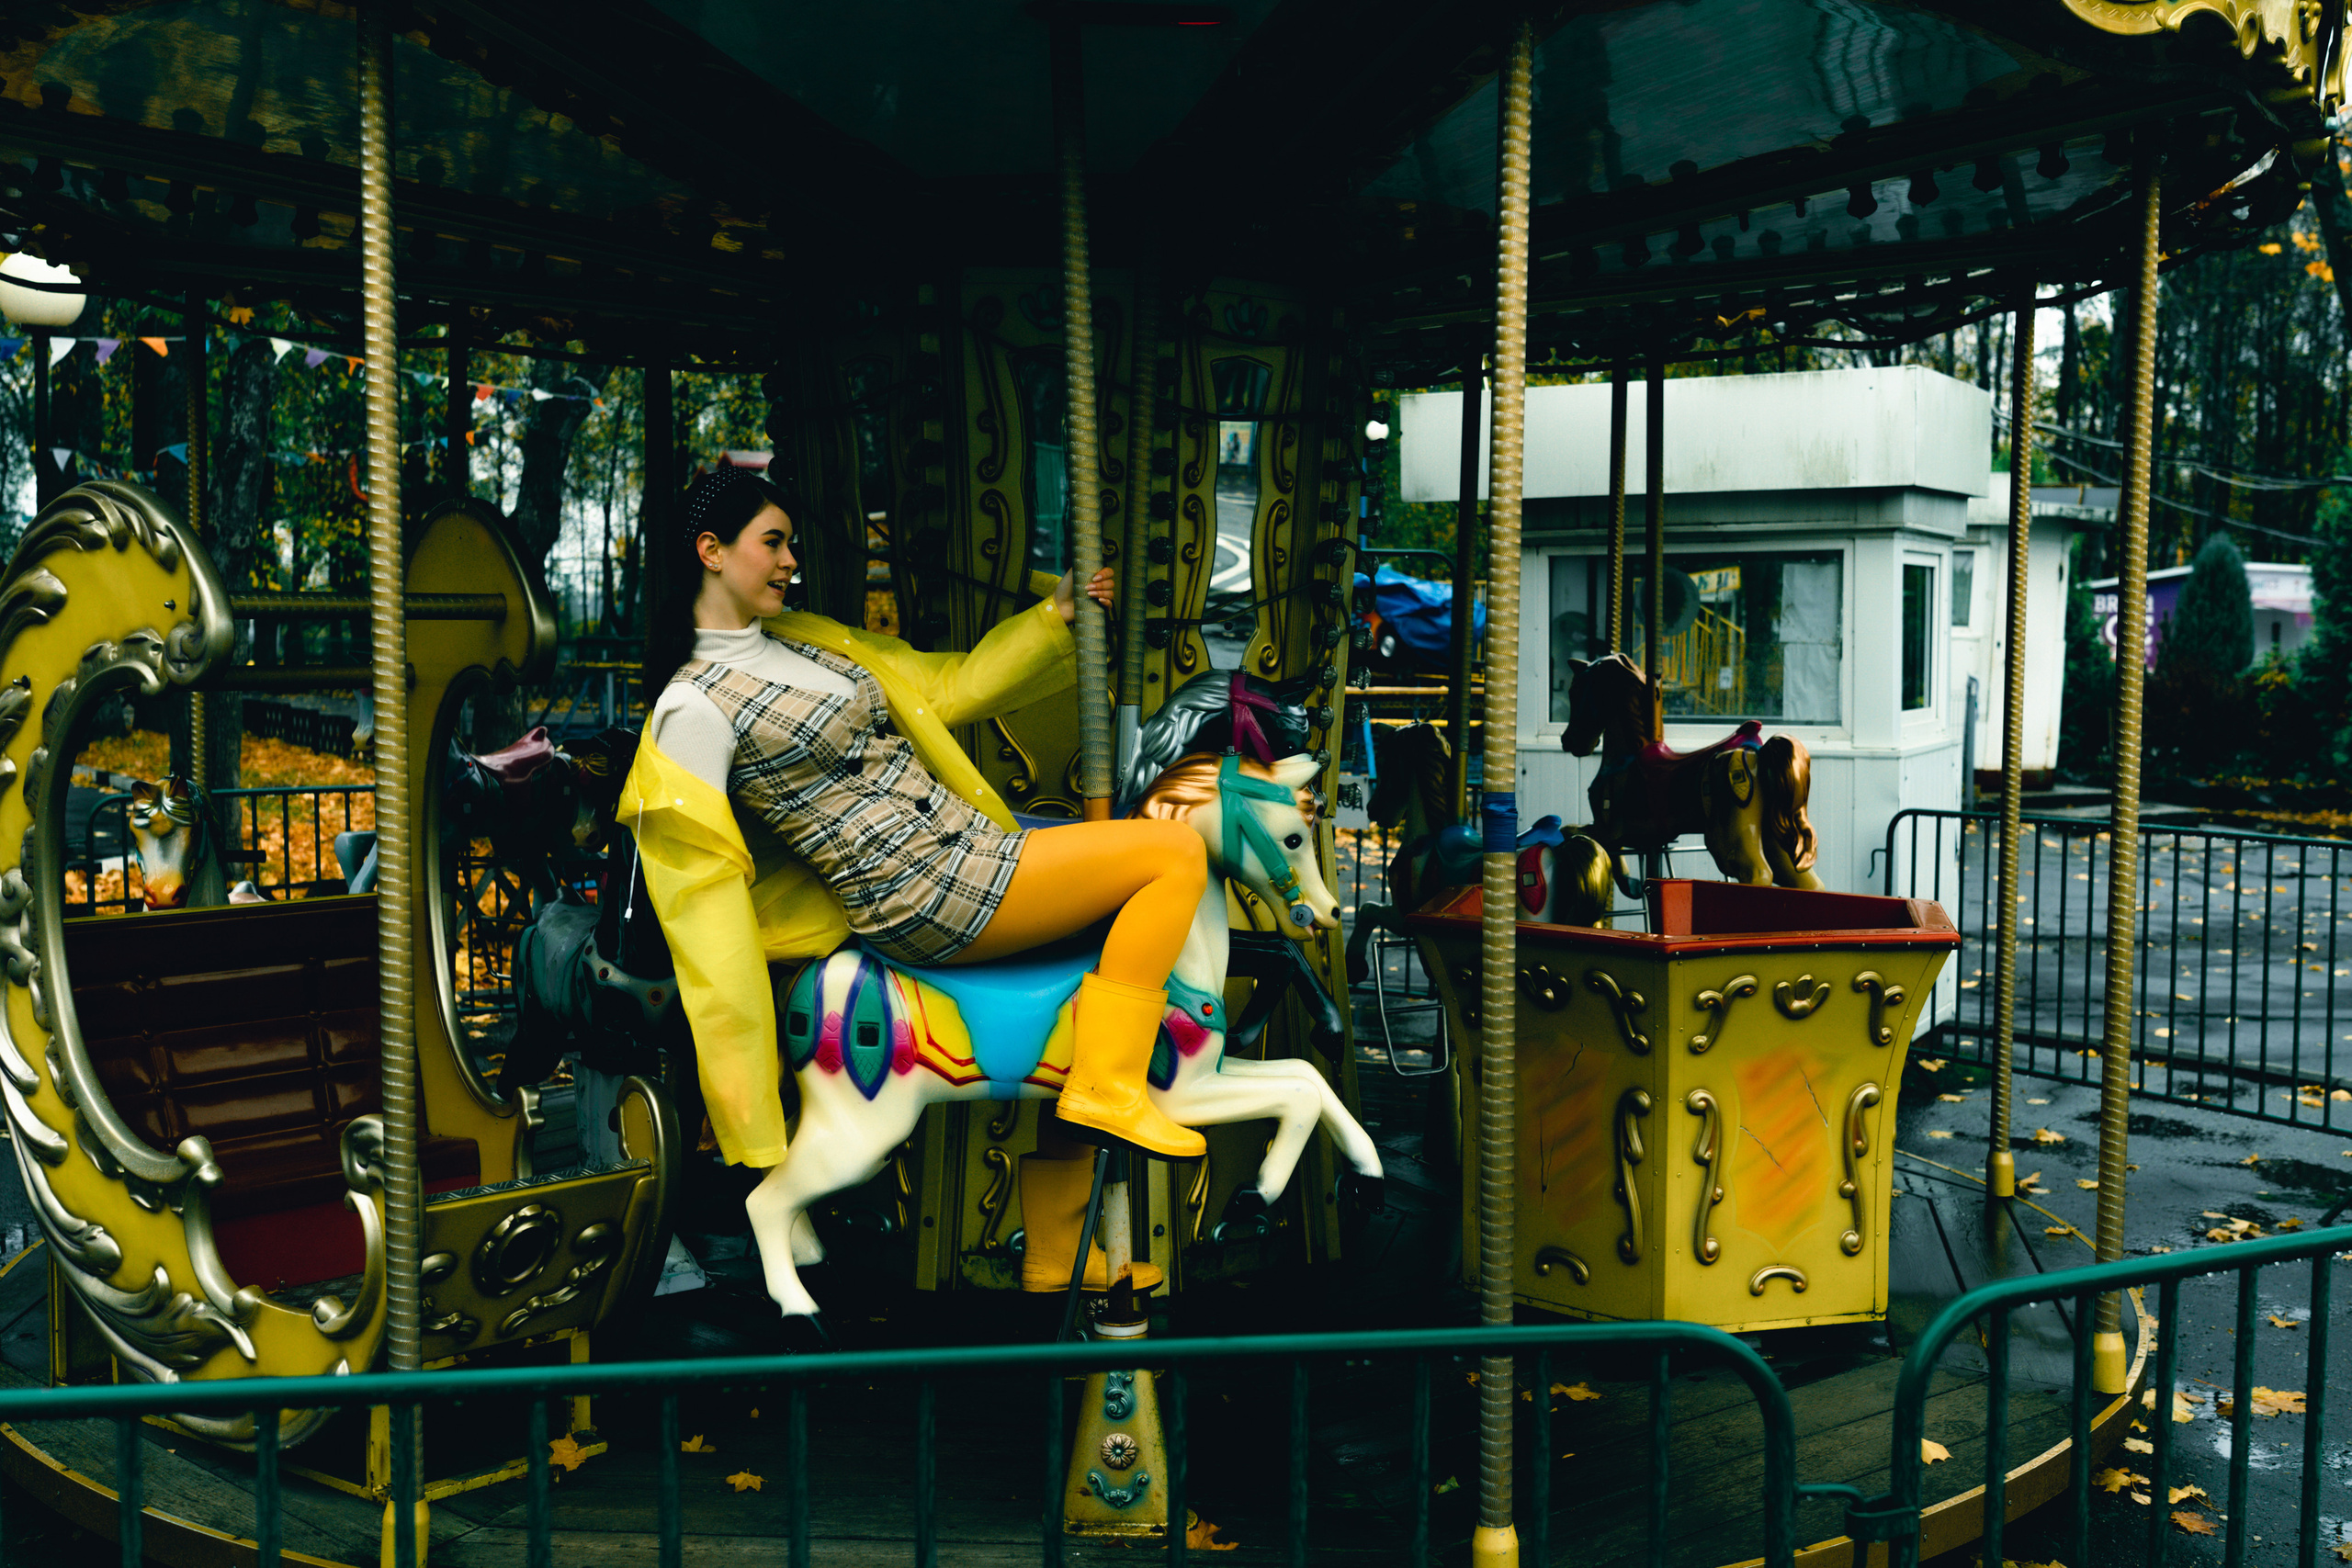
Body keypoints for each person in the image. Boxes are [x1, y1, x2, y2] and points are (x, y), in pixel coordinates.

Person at [619, 467, 1206, 1296]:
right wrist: (744, 1092)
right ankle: (1112, 1088)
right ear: (711, 552)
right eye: (773, 543)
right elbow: (701, 893)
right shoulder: (694, 707)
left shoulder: (811, 640)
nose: (791, 562)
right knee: (1173, 855)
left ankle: (1052, 1243)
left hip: (970, 849)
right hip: (919, 885)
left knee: (1099, 970)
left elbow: (940, 687)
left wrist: (1055, 617)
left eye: (792, 544)